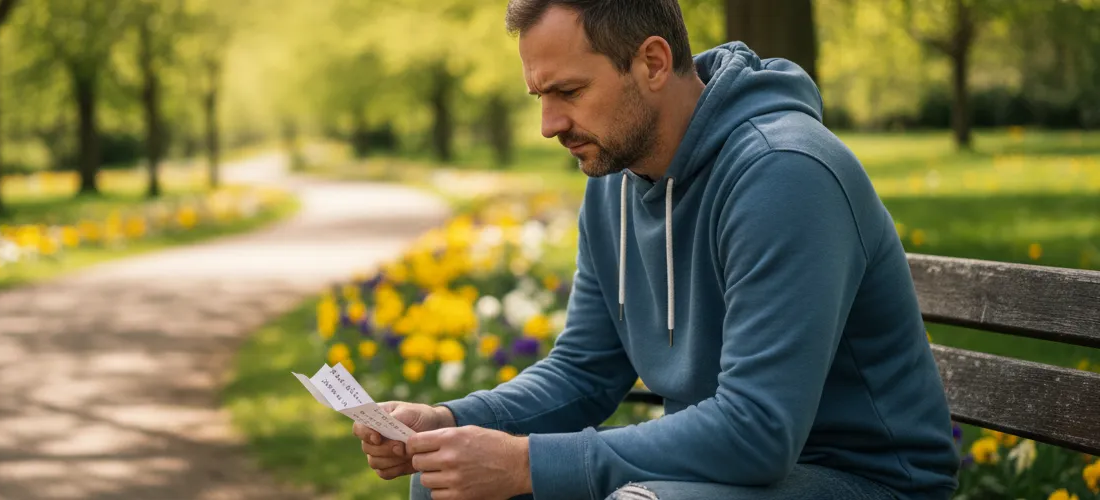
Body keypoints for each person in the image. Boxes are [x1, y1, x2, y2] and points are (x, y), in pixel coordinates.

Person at [351, 1, 961, 499]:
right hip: (738, 474)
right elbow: (585, 368)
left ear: (651, 62)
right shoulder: (614, 177)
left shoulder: (783, 173)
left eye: (568, 90)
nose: (549, 124)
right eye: (540, 95)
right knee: (445, 484)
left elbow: (758, 431)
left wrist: (526, 463)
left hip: (867, 481)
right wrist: (454, 420)